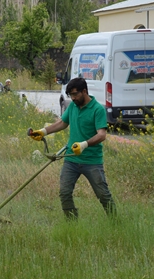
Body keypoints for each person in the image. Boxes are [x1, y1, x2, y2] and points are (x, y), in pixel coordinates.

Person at [28, 77, 115, 219]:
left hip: (91, 160)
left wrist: (84, 144)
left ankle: (115, 221)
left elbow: (102, 135)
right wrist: (43, 131)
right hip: (71, 160)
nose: (73, 98)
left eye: (75, 94)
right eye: (70, 95)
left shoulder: (97, 109)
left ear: (84, 91)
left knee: (103, 194)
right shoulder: (73, 106)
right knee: (64, 192)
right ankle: (72, 222)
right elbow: (62, 123)